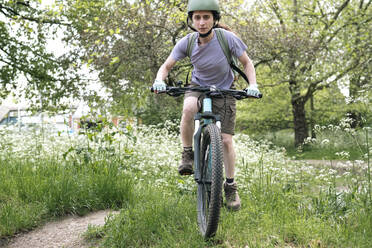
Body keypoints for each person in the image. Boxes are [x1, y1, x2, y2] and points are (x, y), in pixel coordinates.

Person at [152, 0, 260, 211]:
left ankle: (230, 185)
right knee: (188, 109)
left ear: (214, 19)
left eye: (206, 17)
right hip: (198, 86)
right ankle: (187, 153)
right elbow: (166, 66)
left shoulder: (227, 39)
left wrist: (253, 85)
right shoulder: (188, 42)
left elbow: (247, 63)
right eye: (197, 17)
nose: (201, 22)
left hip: (224, 90)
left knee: (226, 140)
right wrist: (159, 80)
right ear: (192, 20)